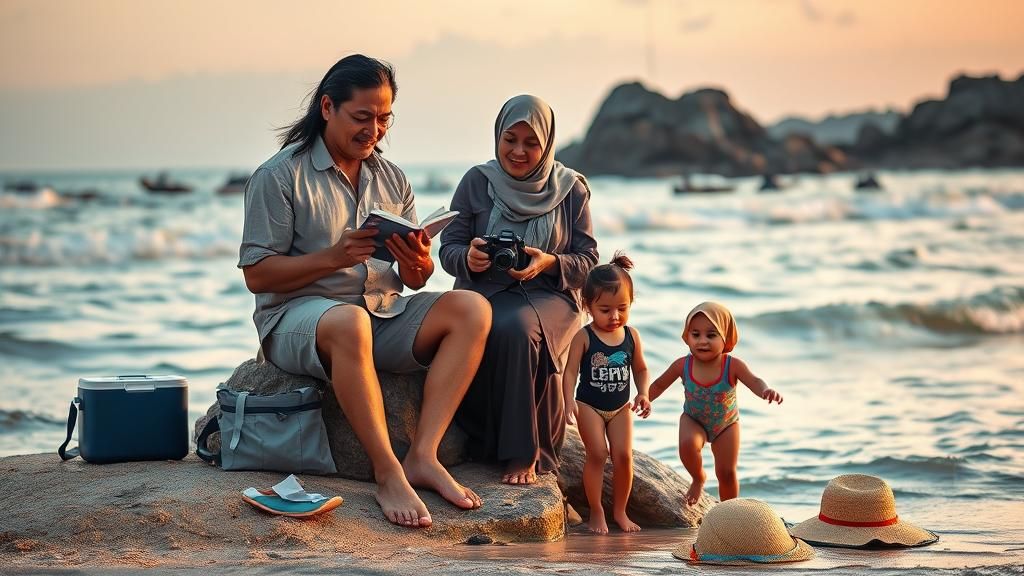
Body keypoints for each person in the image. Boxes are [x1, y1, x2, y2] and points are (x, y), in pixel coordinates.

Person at [238, 54, 491, 528]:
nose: (374, 129)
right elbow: (257, 274)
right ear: (328, 107)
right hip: (299, 318)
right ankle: (387, 470)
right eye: (362, 117)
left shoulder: (391, 177)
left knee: (472, 309)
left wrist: (418, 265)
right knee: (349, 321)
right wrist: (333, 257)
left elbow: (415, 280)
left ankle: (423, 455)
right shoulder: (278, 176)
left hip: (381, 312)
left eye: (383, 119)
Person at [439, 95, 598, 485]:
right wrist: (469, 259)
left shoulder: (570, 189)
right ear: (497, 136)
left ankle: (523, 453)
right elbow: (449, 247)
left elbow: (589, 262)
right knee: (481, 325)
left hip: (551, 295)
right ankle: (480, 441)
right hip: (485, 291)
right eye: (510, 139)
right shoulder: (478, 181)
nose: (519, 151)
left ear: (547, 145)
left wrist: (549, 263)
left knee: (516, 329)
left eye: (532, 143)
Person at [648, 302, 783, 506]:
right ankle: (698, 477)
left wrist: (765, 391)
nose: (702, 341)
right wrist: (643, 399)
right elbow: (659, 385)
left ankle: (729, 511)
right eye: (696, 334)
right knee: (687, 445)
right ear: (687, 336)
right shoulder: (683, 365)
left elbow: (754, 381)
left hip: (726, 425)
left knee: (727, 472)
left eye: (711, 335)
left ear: (725, 338)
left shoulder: (732, 365)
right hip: (693, 419)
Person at [562, 252, 651, 534]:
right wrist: (567, 403)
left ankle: (620, 512)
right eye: (605, 309)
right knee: (598, 454)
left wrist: (643, 393)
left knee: (624, 456)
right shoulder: (584, 337)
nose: (615, 316)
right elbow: (570, 373)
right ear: (588, 306)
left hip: (621, 407)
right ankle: (597, 512)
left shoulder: (631, 336)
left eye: (622, 308)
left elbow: (641, 369)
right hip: (589, 405)